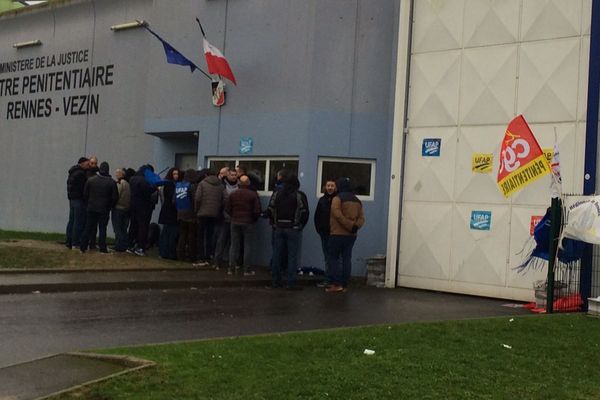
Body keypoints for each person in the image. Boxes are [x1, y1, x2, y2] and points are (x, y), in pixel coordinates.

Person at [267, 174, 309, 290]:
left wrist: (274, 223)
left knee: (277, 255)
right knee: (292, 256)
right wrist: (300, 225)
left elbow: (270, 209)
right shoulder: (299, 195)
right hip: (293, 228)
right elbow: (305, 212)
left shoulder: (277, 193)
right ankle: (290, 283)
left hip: (279, 227)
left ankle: (275, 281)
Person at [326, 177, 365, 293]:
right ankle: (345, 284)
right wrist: (355, 227)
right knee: (347, 258)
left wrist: (348, 225)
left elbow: (337, 214)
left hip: (337, 234)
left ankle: (336, 284)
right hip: (351, 235)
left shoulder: (337, 198)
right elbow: (362, 218)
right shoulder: (358, 201)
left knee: (333, 258)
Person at [225, 175, 261, 276]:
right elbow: (257, 210)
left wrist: (233, 216)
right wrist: (253, 219)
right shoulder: (253, 195)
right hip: (248, 222)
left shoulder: (233, 194)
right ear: (249, 183)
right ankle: (246, 269)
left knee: (234, 245)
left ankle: (231, 268)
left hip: (235, 221)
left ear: (239, 183)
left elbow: (227, 208)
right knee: (247, 245)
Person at [80, 162, 118, 253]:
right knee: (102, 229)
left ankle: (83, 246)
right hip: (104, 209)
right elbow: (115, 197)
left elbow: (85, 194)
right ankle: (102, 248)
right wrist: (109, 206)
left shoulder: (91, 180)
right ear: (108, 170)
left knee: (88, 227)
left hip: (91, 207)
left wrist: (88, 203)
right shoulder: (111, 182)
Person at [195, 169, 224, 264]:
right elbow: (224, 199)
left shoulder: (202, 184)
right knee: (210, 235)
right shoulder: (220, 185)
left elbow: (198, 198)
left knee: (200, 235)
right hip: (214, 213)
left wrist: (197, 210)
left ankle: (201, 256)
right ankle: (208, 255)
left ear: (206, 175)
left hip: (202, 213)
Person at [128, 165, 157, 256]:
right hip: (143, 207)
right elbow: (147, 191)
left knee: (133, 225)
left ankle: (130, 245)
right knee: (143, 227)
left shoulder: (133, 179)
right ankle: (140, 247)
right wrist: (155, 187)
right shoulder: (143, 180)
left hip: (133, 205)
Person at [214, 168, 239, 269]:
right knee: (221, 240)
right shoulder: (221, 186)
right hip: (223, 218)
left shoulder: (239, 186)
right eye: (231, 175)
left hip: (235, 218)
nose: (233, 177)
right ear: (227, 175)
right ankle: (217, 262)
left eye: (235, 175)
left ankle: (233, 263)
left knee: (234, 242)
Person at [314, 179, 337, 287]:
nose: (330, 187)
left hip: (335, 234)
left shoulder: (338, 200)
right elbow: (317, 216)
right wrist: (319, 229)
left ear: (335, 187)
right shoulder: (322, 200)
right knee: (327, 257)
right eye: (328, 185)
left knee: (335, 258)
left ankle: (335, 280)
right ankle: (328, 279)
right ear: (325, 187)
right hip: (324, 233)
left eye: (332, 185)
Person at [66, 157, 90, 249]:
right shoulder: (81, 174)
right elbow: (82, 189)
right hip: (78, 200)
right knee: (78, 222)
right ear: (82, 163)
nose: (88, 166)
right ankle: (75, 242)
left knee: (72, 221)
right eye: (87, 164)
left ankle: (69, 241)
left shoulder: (73, 172)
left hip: (72, 199)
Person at [176, 169, 198, 262]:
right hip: (191, 214)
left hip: (180, 212)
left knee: (182, 235)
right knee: (191, 236)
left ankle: (180, 254)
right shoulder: (192, 186)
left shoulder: (178, 185)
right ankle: (191, 255)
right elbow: (195, 200)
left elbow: (174, 200)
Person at [158, 168, 180, 260]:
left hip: (170, 211)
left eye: (177, 174)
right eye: (174, 174)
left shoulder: (170, 184)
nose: (176, 176)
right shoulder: (169, 185)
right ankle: (167, 252)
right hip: (170, 211)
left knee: (169, 232)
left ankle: (166, 252)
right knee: (169, 233)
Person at [111, 168, 131, 252]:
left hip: (118, 208)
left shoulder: (119, 183)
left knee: (117, 228)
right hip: (126, 209)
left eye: (117, 173)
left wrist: (111, 205)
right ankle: (124, 245)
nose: (115, 174)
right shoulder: (127, 184)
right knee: (123, 228)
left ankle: (118, 245)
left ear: (120, 174)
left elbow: (116, 195)